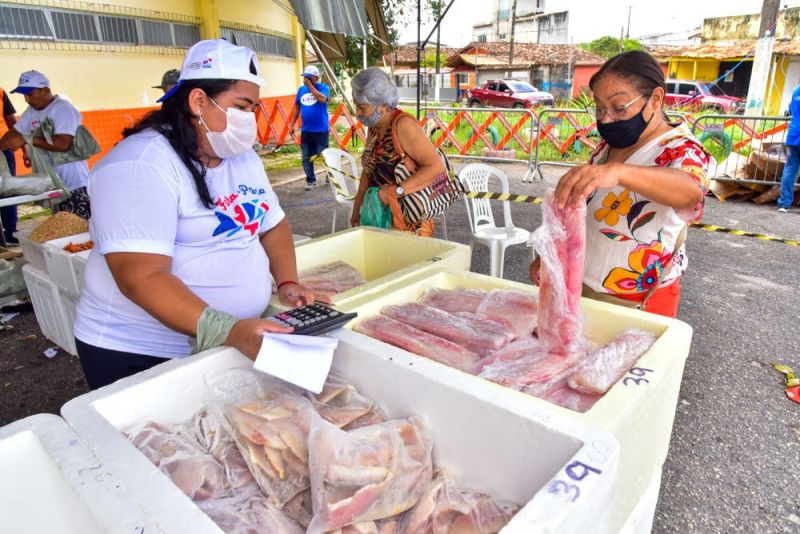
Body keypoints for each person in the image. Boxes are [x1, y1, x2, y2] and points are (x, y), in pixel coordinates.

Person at [73, 39, 315, 389]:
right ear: (198, 101)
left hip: (225, 337)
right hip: (143, 352)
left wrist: (288, 281)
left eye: (254, 109)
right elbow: (141, 277)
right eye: (242, 107)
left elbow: (272, 225)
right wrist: (226, 328)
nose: (250, 120)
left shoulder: (239, 156)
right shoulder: (140, 165)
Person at [531, 51, 711, 318]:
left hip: (640, 302)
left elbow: (690, 192)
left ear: (656, 99)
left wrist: (619, 172)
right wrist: (550, 254)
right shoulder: (608, 147)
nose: (605, 119)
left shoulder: (683, 150)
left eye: (619, 108)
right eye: (599, 108)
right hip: (583, 289)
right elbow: (587, 213)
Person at [349, 68, 445, 237]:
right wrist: (357, 210)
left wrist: (395, 192)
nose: (357, 113)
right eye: (356, 106)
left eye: (362, 107)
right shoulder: (374, 128)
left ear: (384, 105)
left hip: (407, 223)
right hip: (379, 218)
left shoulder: (403, 125)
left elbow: (436, 167)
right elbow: (368, 172)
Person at [0, 70, 91, 219]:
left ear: (46, 90)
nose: (27, 99)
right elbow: (15, 133)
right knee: (63, 229)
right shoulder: (32, 111)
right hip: (54, 183)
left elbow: (63, 144)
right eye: (24, 95)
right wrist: (2, 145)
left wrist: (27, 139)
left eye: (31, 94)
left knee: (80, 230)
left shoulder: (62, 109)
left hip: (74, 184)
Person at [291, 65, 330, 190]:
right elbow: (297, 107)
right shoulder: (301, 90)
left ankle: (330, 175)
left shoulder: (323, 88)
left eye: (308, 77)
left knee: (324, 155)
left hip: (321, 130)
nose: (305, 80)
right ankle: (311, 180)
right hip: (306, 131)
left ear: (315, 77)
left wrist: (311, 87)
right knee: (306, 157)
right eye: (304, 77)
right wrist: (292, 125)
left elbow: (323, 99)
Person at [0, 85, 22, 244]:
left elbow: (11, 121)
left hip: (4, 148)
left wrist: (24, 147)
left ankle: (10, 232)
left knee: (9, 189)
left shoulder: (0, 91)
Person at [778, 83, 800, 212]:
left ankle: (784, 204)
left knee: (790, 170)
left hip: (794, 135)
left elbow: (790, 111)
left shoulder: (797, 90)